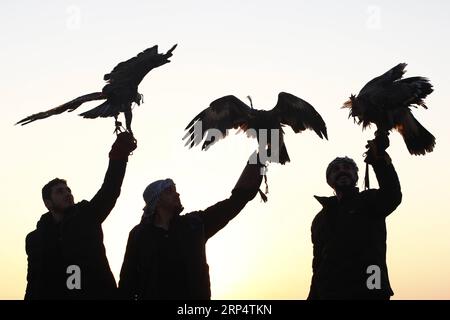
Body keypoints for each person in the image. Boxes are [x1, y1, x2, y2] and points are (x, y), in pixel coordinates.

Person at [119, 156, 264, 300]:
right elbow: (127, 282)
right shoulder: (139, 235)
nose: (177, 193)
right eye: (169, 191)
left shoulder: (194, 225)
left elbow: (233, 204)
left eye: (175, 190)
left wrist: (260, 158)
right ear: (156, 201)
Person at [25, 132, 137, 300]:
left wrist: (118, 157)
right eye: (60, 191)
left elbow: (110, 190)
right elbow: (34, 280)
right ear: (48, 203)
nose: (67, 194)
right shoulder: (36, 238)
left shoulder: (87, 216)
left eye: (68, 190)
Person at [308, 132, 402, 300]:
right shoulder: (320, 219)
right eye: (335, 170)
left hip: (371, 289)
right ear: (329, 180)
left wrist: (379, 159)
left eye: (348, 168)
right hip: (331, 295)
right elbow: (317, 263)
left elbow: (392, 195)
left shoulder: (370, 201)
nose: (342, 171)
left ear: (356, 177)